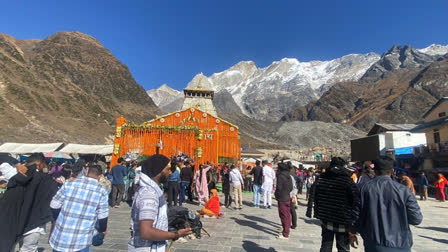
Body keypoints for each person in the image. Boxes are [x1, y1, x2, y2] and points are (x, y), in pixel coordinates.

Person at [350, 156, 422, 252]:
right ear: (392, 171)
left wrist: (352, 234)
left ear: (374, 171)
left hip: (374, 244)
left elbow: (355, 216)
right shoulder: (404, 191)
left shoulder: (363, 189)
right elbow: (416, 219)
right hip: (401, 243)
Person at [129, 154, 192, 251]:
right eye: (168, 169)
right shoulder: (149, 194)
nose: (170, 172)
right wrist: (175, 234)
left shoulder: (152, 192)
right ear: (158, 171)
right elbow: (146, 232)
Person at [0, 153, 58, 252]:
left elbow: (1, 158)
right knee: (28, 249)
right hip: (33, 225)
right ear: (39, 163)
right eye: (45, 164)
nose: (45, 166)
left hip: (12, 222)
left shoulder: (15, 173)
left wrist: (16, 163)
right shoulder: (48, 180)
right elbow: (54, 203)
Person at [49, 165, 109, 252]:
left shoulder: (69, 184)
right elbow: (103, 215)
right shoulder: (101, 191)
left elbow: (54, 204)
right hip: (82, 238)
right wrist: (102, 230)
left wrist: (57, 218)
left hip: (62, 235)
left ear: (86, 173)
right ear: (99, 176)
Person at [309, 157, 358, 252]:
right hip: (343, 220)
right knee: (343, 248)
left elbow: (315, 196)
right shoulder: (347, 181)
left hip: (326, 219)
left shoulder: (322, 178)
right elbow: (355, 201)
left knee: (325, 246)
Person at [275, 162, 293, 240]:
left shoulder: (280, 176)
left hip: (282, 197)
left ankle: (285, 233)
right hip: (287, 197)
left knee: (283, 215)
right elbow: (291, 187)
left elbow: (278, 188)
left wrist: (277, 195)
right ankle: (286, 229)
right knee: (287, 215)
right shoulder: (288, 175)